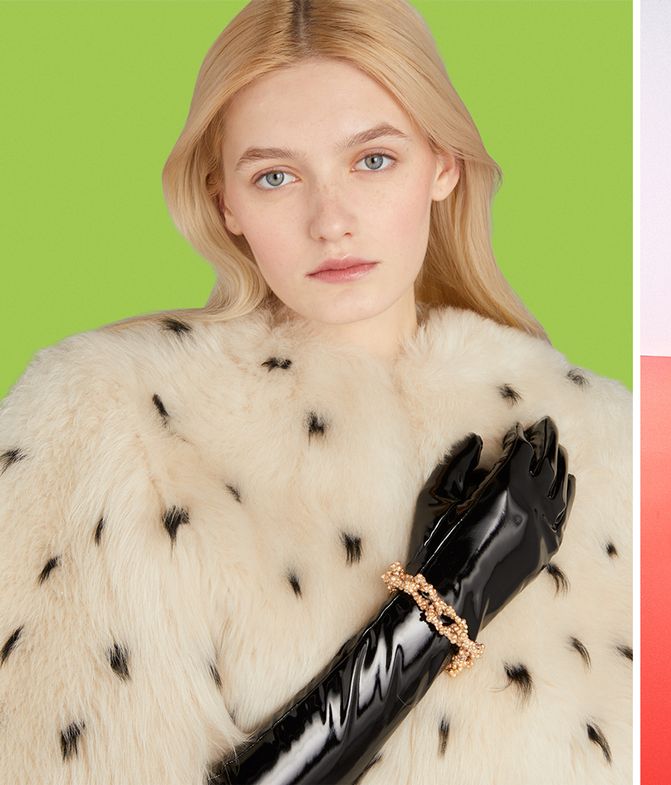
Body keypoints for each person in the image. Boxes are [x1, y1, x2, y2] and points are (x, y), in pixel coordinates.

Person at [0, 1, 631, 783]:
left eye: (373, 160)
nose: (330, 220)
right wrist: (438, 608)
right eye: (276, 176)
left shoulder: (601, 435)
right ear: (225, 200)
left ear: (443, 163)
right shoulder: (109, 424)